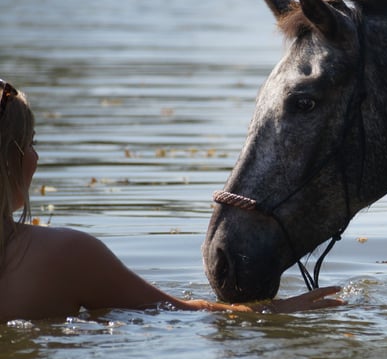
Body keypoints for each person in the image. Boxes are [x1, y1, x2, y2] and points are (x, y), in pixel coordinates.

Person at [0, 79, 344, 321]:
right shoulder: (64, 255)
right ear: (9, 158)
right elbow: (178, 313)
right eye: (30, 142)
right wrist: (276, 311)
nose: (36, 156)